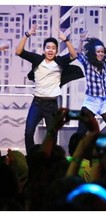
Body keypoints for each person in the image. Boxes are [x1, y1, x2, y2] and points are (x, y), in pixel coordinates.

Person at [15, 24, 84, 155]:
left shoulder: (59, 62)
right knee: (29, 132)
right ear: (44, 50)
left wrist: (66, 40)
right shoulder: (38, 59)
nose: (50, 50)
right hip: (37, 103)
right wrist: (27, 34)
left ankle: (50, 160)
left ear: (56, 51)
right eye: (48, 48)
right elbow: (18, 51)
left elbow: (74, 55)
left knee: (52, 135)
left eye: (53, 48)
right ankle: (31, 158)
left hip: (52, 105)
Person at [76, 30, 106, 141]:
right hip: (91, 102)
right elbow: (78, 54)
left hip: (105, 102)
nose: (100, 54)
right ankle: (77, 157)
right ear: (94, 52)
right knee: (80, 134)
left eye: (102, 52)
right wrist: (81, 41)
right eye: (98, 52)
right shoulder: (87, 62)